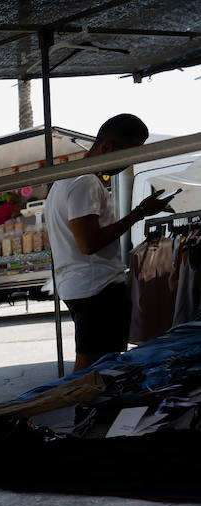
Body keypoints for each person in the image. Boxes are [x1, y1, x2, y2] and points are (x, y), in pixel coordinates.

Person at [46, 113, 173, 371]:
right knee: (97, 366)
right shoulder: (85, 183)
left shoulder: (65, 180)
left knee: (98, 365)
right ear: (107, 147)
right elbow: (88, 243)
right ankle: (85, 410)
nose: (127, 163)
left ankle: (87, 408)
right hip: (97, 288)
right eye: (127, 155)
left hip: (82, 287)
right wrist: (139, 212)